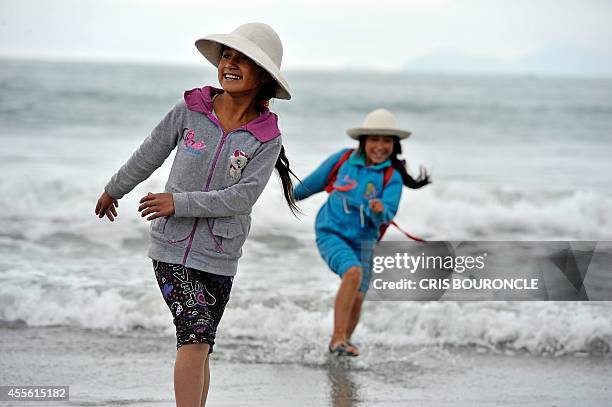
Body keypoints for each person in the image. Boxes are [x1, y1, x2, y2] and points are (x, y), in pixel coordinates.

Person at [94, 22, 296, 406]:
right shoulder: (191, 110)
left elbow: (243, 197)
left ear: (264, 75)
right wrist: (113, 188)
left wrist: (178, 201)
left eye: (243, 59)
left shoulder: (266, 137)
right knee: (196, 330)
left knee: (202, 342)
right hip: (171, 247)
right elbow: (150, 152)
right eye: (227, 56)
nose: (230, 64)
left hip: (221, 253)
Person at [293, 108, 430, 356]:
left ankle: (342, 344)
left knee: (358, 296)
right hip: (331, 232)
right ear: (363, 141)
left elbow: (388, 212)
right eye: (374, 139)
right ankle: (337, 338)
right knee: (352, 272)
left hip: (364, 242)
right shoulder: (343, 161)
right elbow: (306, 188)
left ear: (394, 145)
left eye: (386, 140)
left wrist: (379, 209)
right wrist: (280, 190)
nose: (380, 146)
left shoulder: (392, 176)